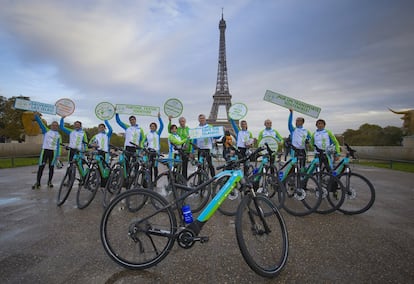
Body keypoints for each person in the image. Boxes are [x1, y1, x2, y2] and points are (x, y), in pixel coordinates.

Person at [32, 114, 62, 189]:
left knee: (51, 168)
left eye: (56, 125)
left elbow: (59, 146)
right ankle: (38, 182)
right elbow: (40, 123)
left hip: (53, 152)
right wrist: (36, 116)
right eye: (53, 125)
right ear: (51, 126)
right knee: (41, 167)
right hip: (45, 151)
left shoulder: (59, 135)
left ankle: (49, 182)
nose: (54, 126)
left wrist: (58, 155)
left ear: (57, 127)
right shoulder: (46, 131)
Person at [142, 113, 164, 181]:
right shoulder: (147, 134)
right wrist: (143, 149)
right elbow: (142, 143)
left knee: (155, 167)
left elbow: (162, 126)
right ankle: (150, 181)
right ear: (150, 127)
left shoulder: (158, 133)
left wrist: (159, 118)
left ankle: (156, 181)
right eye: (151, 126)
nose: (152, 127)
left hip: (156, 152)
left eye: (154, 126)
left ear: (156, 127)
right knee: (150, 167)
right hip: (149, 152)